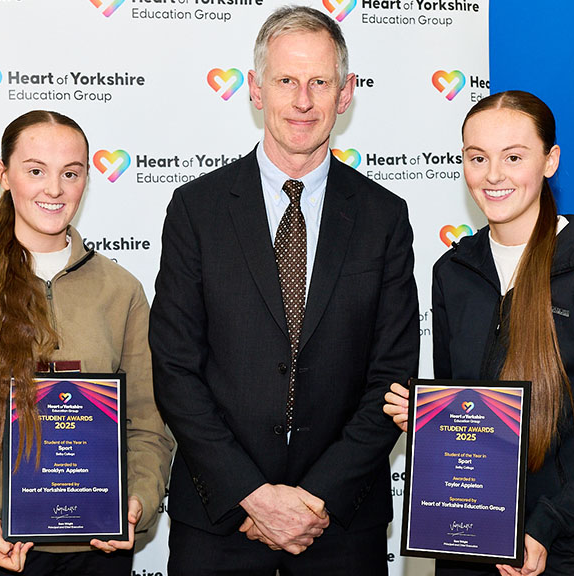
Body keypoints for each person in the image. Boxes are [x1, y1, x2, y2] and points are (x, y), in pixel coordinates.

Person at [149, 6, 420, 576]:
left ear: (344, 95)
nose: (303, 101)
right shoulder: (196, 211)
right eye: (286, 81)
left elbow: (392, 378)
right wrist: (253, 494)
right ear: (254, 89)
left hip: (341, 524)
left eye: (320, 82)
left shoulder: (384, 217)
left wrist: (314, 500)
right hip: (220, 520)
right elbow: (175, 369)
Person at [384, 91, 574, 576]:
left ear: (549, 161)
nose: (493, 175)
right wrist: (433, 420)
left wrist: (547, 524)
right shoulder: (452, 272)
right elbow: (476, 419)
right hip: (467, 547)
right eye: (477, 158)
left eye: (513, 157)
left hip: (563, 553)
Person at [0, 110, 174, 575]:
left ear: (86, 179)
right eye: (35, 171)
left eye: (71, 173)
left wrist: (137, 499)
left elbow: (148, 425)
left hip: (98, 554)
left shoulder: (122, 292)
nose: (55, 189)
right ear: (4, 175)